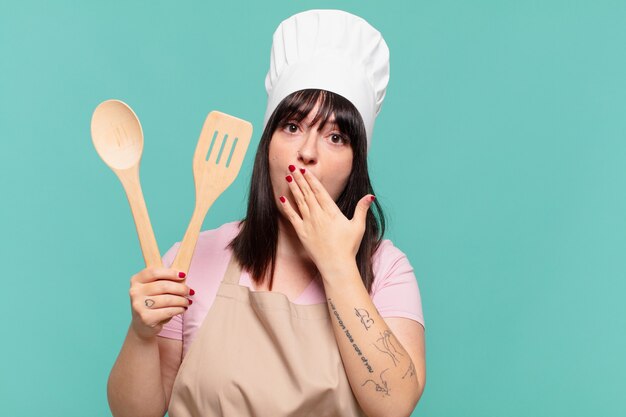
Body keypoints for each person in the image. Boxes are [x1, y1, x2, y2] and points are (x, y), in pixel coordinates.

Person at [107, 9, 426, 417]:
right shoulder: (194, 258)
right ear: (267, 145)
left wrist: (338, 265)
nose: (307, 152)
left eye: (335, 136)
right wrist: (140, 334)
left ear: (355, 164)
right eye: (292, 127)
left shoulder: (387, 271)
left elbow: (395, 405)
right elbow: (137, 414)